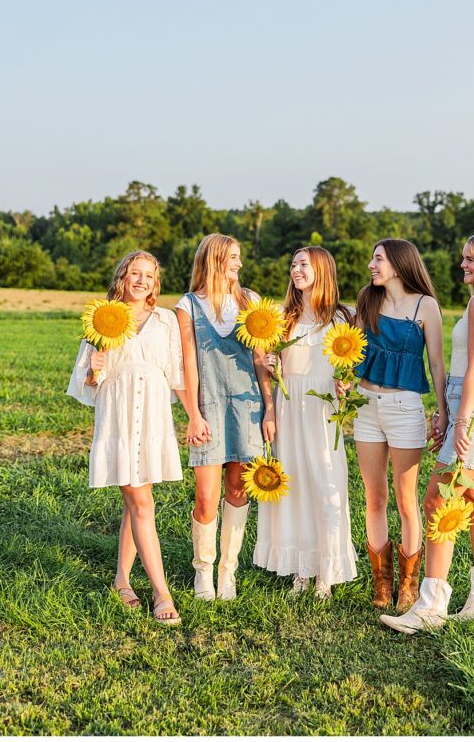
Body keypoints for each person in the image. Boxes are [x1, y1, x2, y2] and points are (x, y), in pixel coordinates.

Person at [381, 231, 474, 634]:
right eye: (463, 258)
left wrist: (459, 420)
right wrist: (446, 411)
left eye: (470, 259)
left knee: (438, 501)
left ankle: (430, 605)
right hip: (473, 405)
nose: (463, 264)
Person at [67, 250, 185, 625]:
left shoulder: (165, 320)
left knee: (136, 501)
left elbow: (176, 373)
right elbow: (86, 381)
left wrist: (196, 416)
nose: (142, 281)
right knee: (141, 501)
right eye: (136, 273)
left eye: (149, 276)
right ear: (122, 276)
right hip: (118, 414)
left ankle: (122, 579)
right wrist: (94, 369)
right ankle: (161, 591)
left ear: (155, 283)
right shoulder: (104, 318)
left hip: (151, 416)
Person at [253, 247, 358, 599]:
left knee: (326, 484)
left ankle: (326, 571)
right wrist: (269, 398)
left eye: (303, 264)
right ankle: (301, 568)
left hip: (322, 410)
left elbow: (351, 368)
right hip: (288, 406)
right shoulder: (283, 318)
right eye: (293, 264)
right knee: (293, 485)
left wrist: (347, 385)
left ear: (322, 269)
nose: (296, 269)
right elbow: (267, 369)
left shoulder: (342, 317)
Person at [175, 234, 275, 601]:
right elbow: (187, 365)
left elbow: (262, 362)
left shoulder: (251, 302)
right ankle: (203, 571)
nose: (239, 264)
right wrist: (194, 415)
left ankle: (227, 572)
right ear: (215, 259)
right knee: (206, 496)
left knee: (237, 489)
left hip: (247, 407)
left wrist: (269, 408)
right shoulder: (187, 306)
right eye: (233, 257)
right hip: (209, 408)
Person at [351, 238, 446, 612]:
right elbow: (354, 348)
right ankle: (381, 581)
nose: (372, 265)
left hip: (405, 408)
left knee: (407, 501)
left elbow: (436, 364)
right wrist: (345, 377)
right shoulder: (368, 299)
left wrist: (441, 411)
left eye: (378, 259)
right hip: (366, 407)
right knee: (375, 498)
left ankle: (408, 584)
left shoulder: (426, 306)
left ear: (399, 264)